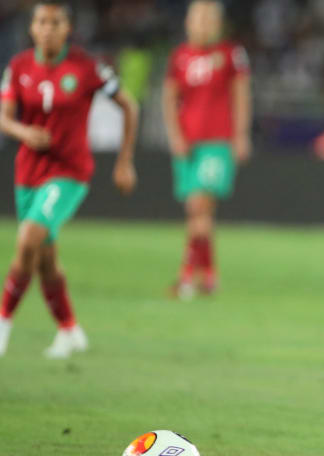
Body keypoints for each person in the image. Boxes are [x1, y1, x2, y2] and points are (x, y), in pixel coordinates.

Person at [0, 1, 138, 358]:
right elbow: (4, 117)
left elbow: (129, 106)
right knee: (45, 259)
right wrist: (24, 133)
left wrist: (124, 161)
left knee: (28, 239)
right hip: (28, 172)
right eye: (42, 22)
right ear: (32, 28)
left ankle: (3, 324)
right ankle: (69, 329)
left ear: (68, 29)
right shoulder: (18, 67)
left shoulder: (86, 67)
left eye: (55, 22)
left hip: (69, 172)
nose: (48, 29)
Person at [162, 0, 251, 299]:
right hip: (188, 143)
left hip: (217, 142)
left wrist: (240, 135)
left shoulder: (230, 54)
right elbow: (169, 99)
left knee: (199, 207)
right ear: (187, 22)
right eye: (197, 18)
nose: (202, 24)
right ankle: (209, 275)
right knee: (198, 213)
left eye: (208, 19)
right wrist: (175, 136)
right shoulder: (179, 57)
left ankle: (187, 276)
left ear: (218, 24)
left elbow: (241, 96)